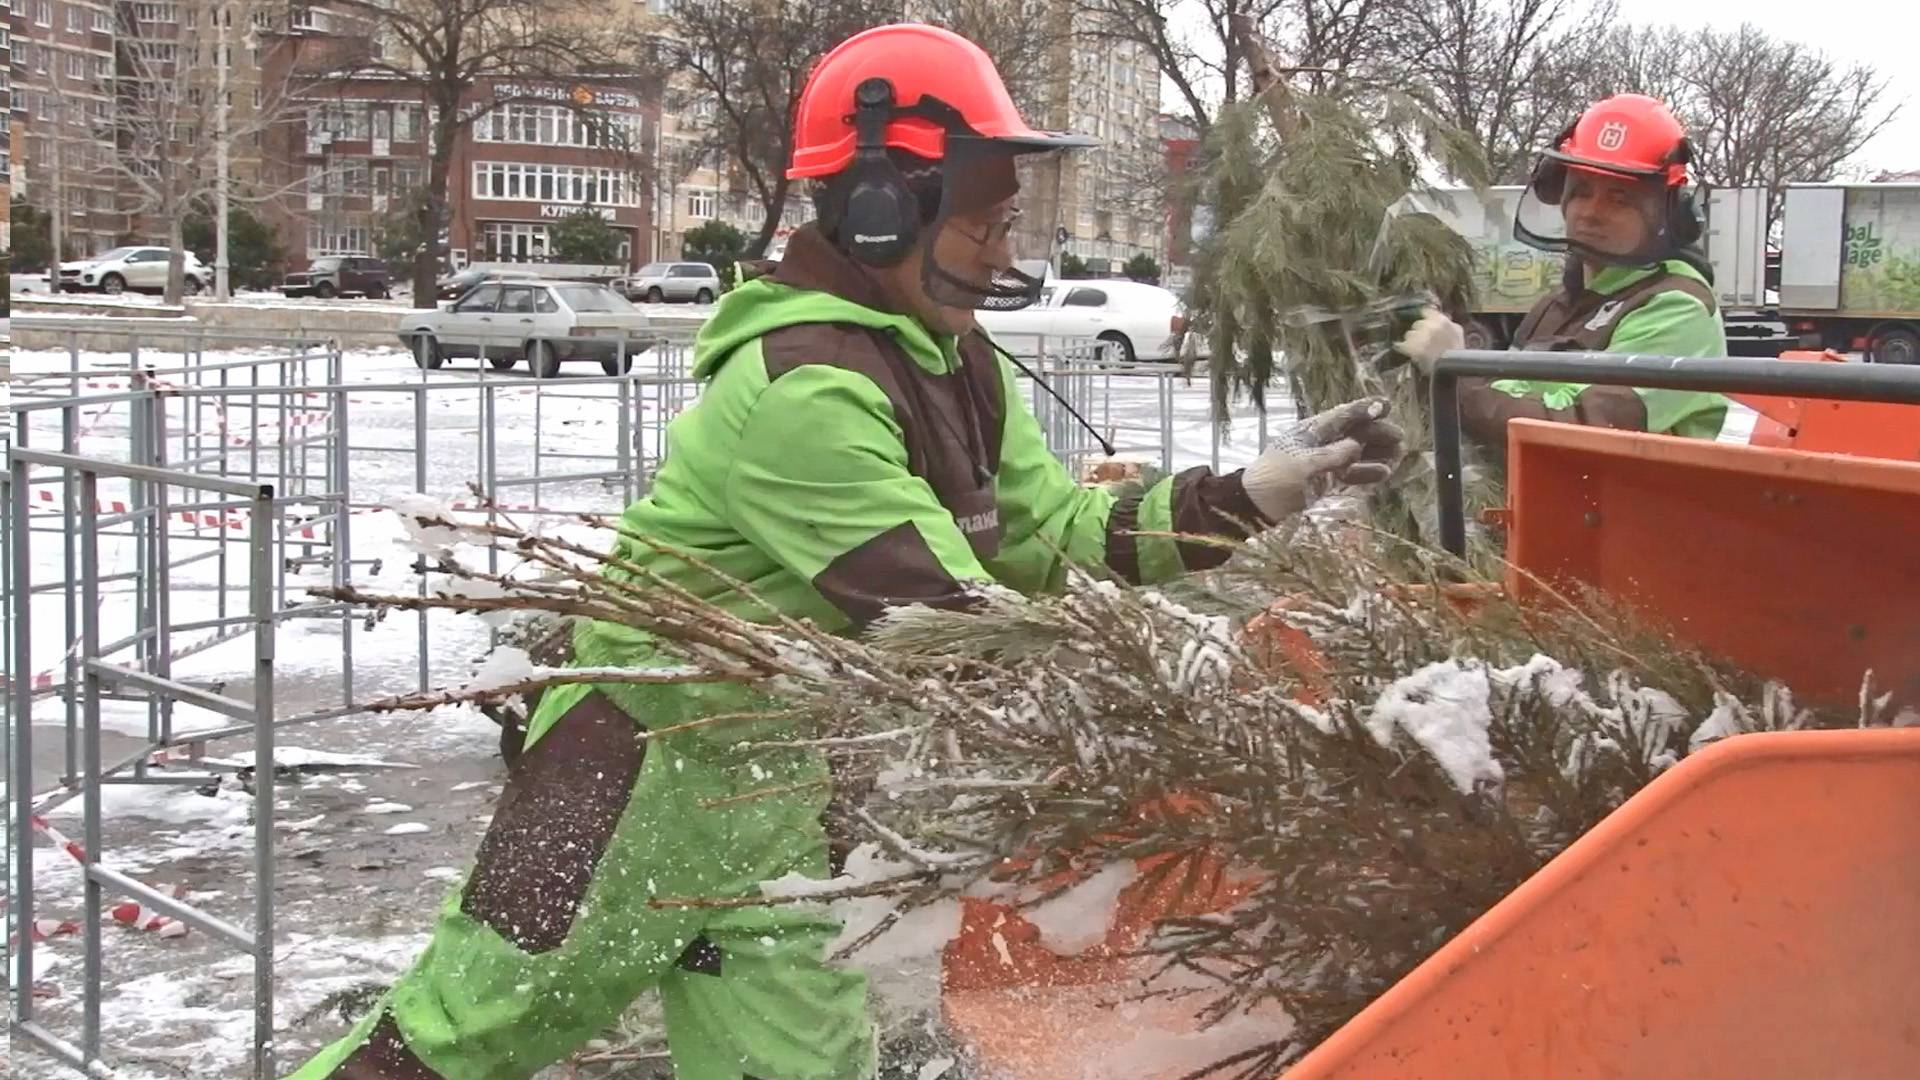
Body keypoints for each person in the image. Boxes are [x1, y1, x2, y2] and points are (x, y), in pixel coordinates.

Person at [287, 23, 1402, 1080]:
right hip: (635, 778)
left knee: (801, 1065)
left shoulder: (954, 361)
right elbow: (946, 622)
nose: (1009, 246)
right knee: (458, 1039)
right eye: (989, 221)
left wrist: (1248, 496)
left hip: (778, 791)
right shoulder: (803, 386)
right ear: (881, 210)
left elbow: (1055, 538)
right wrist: (1199, 709)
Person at [1397, 94, 1733, 450]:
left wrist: (1456, 374)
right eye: (1581, 191)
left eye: (1619, 198)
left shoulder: (1677, 308)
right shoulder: (1560, 304)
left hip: (1627, 502)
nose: (1591, 211)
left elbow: (1581, 427)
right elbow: (1507, 392)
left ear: (1668, 215)